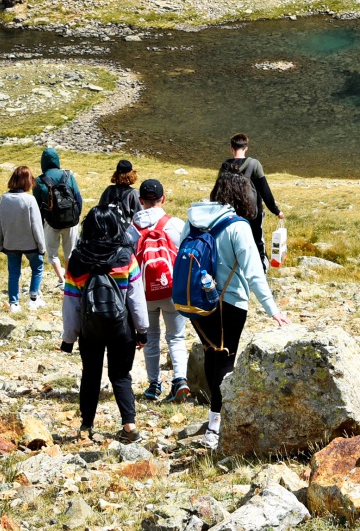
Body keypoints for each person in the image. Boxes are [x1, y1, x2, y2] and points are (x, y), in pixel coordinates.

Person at [186, 168, 289, 449]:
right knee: (226, 360)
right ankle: (216, 427)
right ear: (242, 195)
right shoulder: (238, 226)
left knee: (211, 354)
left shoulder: (193, 219)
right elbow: (254, 273)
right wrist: (273, 309)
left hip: (196, 302)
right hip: (229, 304)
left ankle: (214, 420)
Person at [60, 205, 148, 442]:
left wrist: (69, 338)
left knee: (91, 374)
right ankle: (129, 427)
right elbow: (136, 298)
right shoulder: (125, 256)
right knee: (121, 376)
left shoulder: (77, 259)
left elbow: (72, 302)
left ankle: (86, 425)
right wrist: (142, 330)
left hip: (90, 331)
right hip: (123, 329)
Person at [135, 178, 190, 403]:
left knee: (151, 338)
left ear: (140, 201)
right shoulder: (175, 224)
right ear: (163, 199)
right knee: (176, 336)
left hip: (144, 292)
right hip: (171, 290)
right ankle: (180, 380)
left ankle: (153, 384)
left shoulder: (132, 229)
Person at [215, 133, 283, 255]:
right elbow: (265, 190)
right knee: (256, 243)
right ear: (246, 148)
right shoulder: (254, 164)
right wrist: (276, 211)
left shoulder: (225, 166)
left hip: (230, 213)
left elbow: (219, 190)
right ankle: (260, 269)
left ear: (231, 148)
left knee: (233, 244)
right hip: (253, 214)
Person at [0, 165, 47, 312]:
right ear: (27, 181)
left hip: (10, 244)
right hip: (30, 244)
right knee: (37, 268)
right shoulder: (29, 200)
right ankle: (33, 298)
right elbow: (36, 226)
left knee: (13, 272)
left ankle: (14, 303)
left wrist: (0, 243)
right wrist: (41, 246)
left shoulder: (4, 199)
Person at [33, 147, 82, 282]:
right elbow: (78, 198)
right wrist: (75, 216)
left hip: (50, 221)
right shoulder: (68, 175)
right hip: (71, 220)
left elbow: (36, 207)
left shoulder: (39, 181)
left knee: (52, 252)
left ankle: (61, 278)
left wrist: (42, 224)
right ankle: (69, 276)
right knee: (70, 251)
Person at [98, 159, 147, 228]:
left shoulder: (109, 190)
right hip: (126, 232)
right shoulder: (133, 193)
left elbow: (100, 211)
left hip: (109, 230)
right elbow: (140, 215)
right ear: (131, 175)